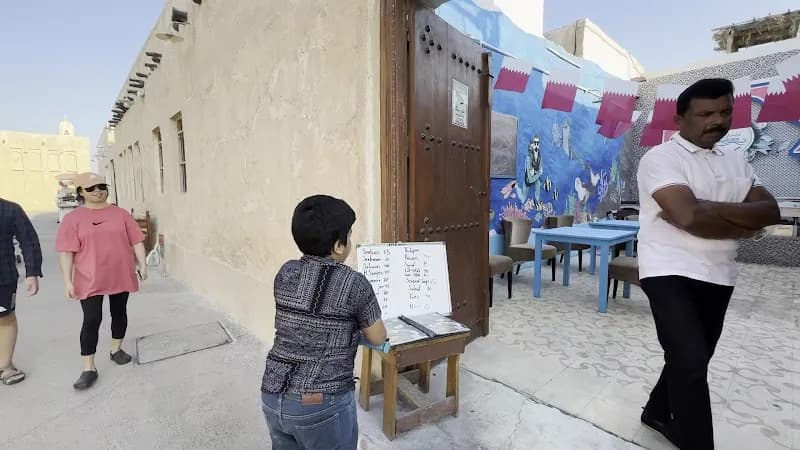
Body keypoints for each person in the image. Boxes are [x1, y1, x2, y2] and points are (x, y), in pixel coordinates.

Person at [636, 78, 781, 449]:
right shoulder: (661, 158)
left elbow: (769, 210)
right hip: (668, 269)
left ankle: (655, 412)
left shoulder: (736, 159)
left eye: (724, 111)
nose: (716, 120)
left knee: (696, 356)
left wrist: (707, 209)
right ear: (680, 118)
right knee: (689, 360)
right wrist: (738, 223)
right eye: (705, 114)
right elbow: (687, 217)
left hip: (719, 272)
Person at [261, 195, 387, 450]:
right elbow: (378, 338)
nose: (350, 241)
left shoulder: (285, 272)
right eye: (349, 236)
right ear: (339, 245)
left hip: (273, 396)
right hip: (320, 403)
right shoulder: (354, 283)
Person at [56, 172, 147, 390]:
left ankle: (116, 349)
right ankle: (88, 367)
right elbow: (67, 252)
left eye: (101, 186)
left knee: (119, 312)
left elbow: (136, 241)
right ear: (81, 192)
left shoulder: (121, 214)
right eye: (91, 188)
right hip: (89, 277)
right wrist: (67, 280)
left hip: (120, 272)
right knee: (92, 319)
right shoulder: (73, 219)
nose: (98, 191)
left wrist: (142, 264)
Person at [0, 198, 42, 385]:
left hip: (3, 278)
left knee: (5, 319)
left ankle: (6, 366)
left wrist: (32, 272)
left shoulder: (10, 209)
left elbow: (28, 240)